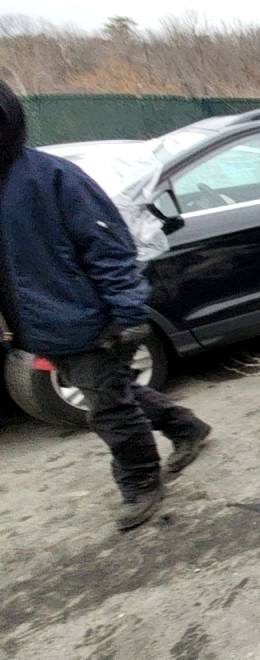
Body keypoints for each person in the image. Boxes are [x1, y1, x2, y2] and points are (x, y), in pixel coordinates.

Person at [0, 80, 211, 531]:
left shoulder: (50, 178)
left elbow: (109, 249)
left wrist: (128, 314)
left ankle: (140, 482)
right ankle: (185, 427)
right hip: (36, 325)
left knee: (110, 408)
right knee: (113, 392)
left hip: (86, 321)